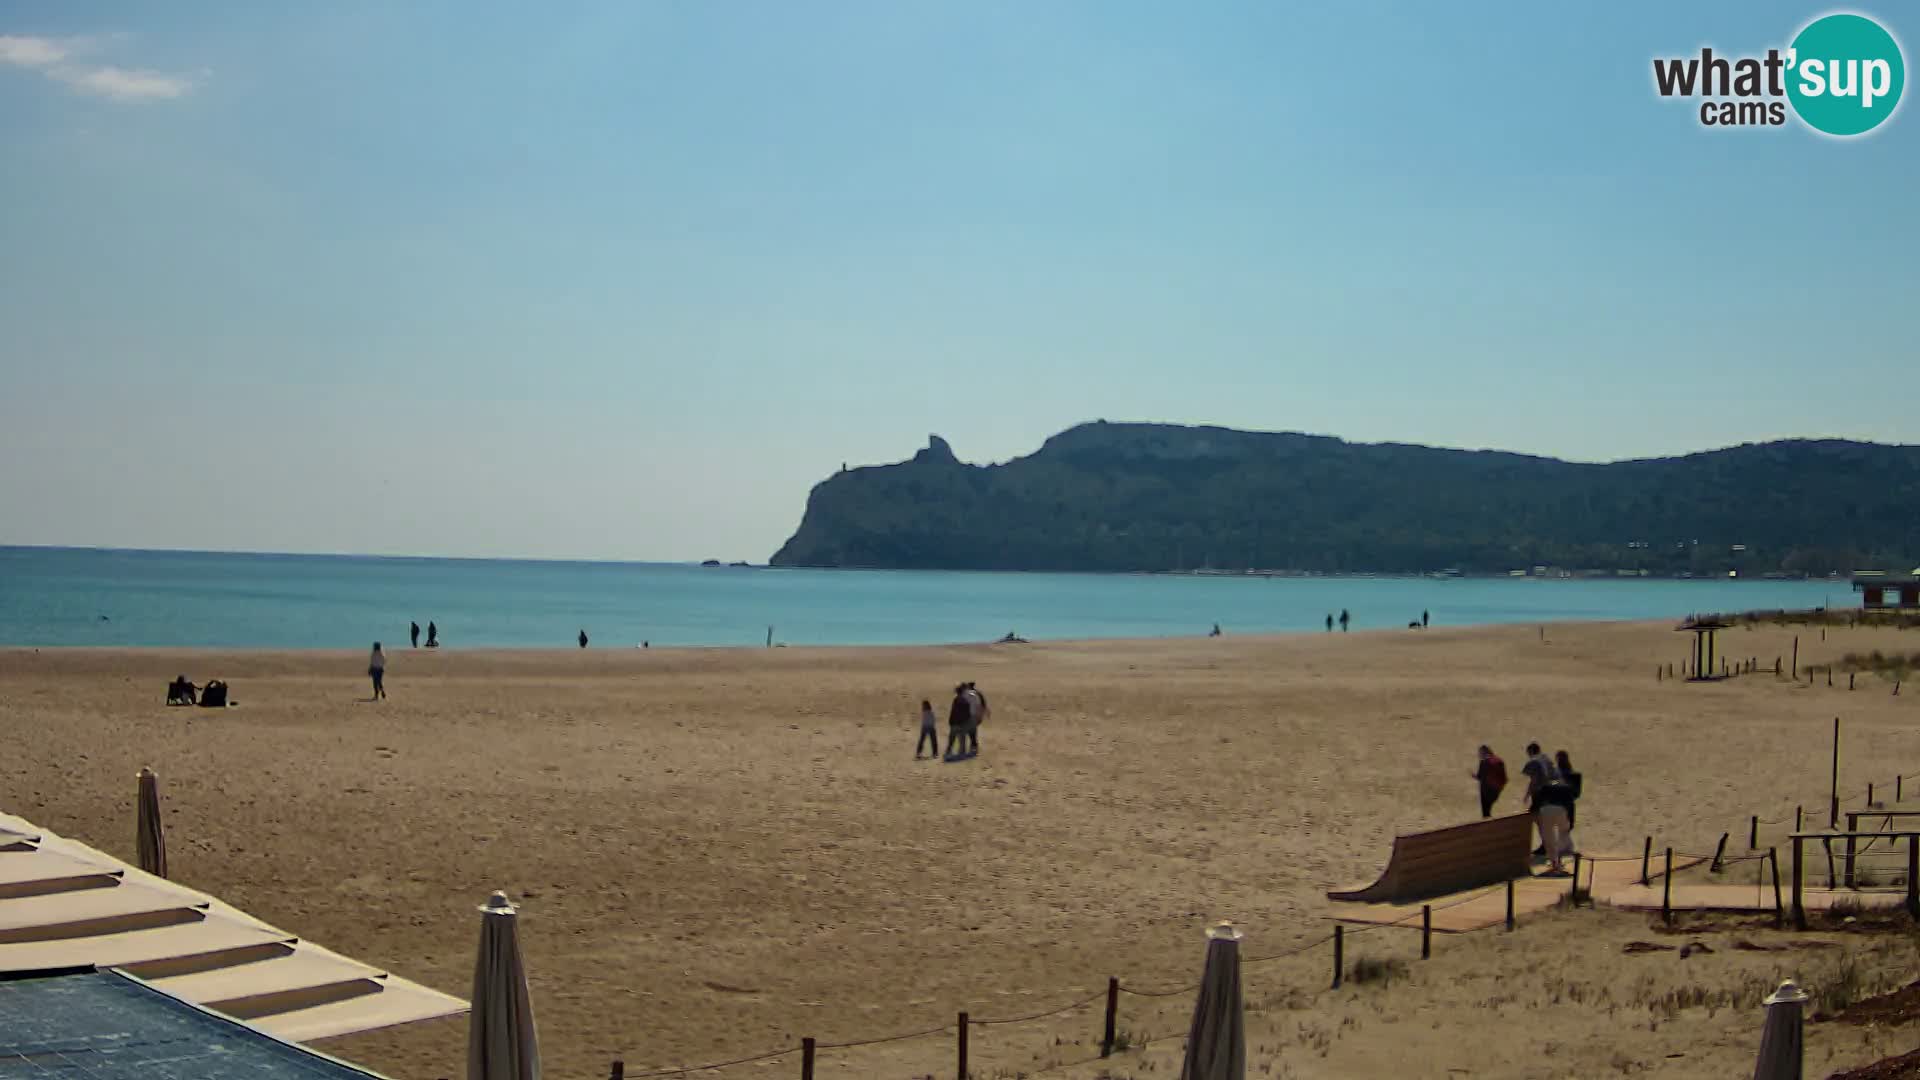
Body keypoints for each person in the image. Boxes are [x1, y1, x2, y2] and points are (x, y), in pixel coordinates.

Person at [1521, 742, 1565, 867]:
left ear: (1530, 752)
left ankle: (1549, 850)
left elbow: (1534, 781)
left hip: (1541, 797)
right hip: (1554, 795)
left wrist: (1528, 794)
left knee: (1540, 822)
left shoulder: (1534, 762)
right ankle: (1547, 848)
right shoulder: (1546, 759)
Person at [1555, 750, 1584, 852]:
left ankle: (1564, 849)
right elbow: (1577, 794)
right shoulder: (1575, 775)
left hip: (1560, 805)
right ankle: (1566, 848)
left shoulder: (1556, 776)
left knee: (1562, 829)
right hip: (1568, 805)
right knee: (1565, 829)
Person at [1471, 745, 1507, 818]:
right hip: (1497, 789)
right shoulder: (1499, 760)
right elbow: (1504, 777)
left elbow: (1480, 777)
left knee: (1486, 812)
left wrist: (1473, 776)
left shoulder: (1484, 762)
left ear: (1483, 752)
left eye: (1480, 753)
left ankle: (1488, 821)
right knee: (1489, 807)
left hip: (1486, 790)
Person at [945, 687, 972, 758]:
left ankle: (948, 751)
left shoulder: (956, 700)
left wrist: (950, 721)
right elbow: (968, 714)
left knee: (952, 739)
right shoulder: (966, 701)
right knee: (962, 739)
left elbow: (953, 711)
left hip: (955, 723)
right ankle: (962, 753)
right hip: (962, 723)